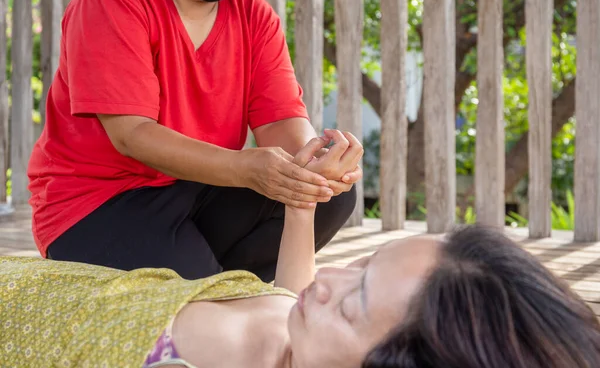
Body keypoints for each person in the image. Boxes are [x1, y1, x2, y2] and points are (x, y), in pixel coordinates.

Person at [5, 135, 600, 367]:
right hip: (47, 286)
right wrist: (299, 209)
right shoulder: (302, 337)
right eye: (364, 265)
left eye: (352, 305)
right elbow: (288, 291)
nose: (333, 277)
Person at [26, 0, 363, 282]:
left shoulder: (254, 17)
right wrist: (244, 167)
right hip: (97, 202)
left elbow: (280, 121)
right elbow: (132, 135)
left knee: (329, 198)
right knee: (206, 302)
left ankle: (217, 282)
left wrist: (312, 167)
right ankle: (209, 286)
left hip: (197, 184)